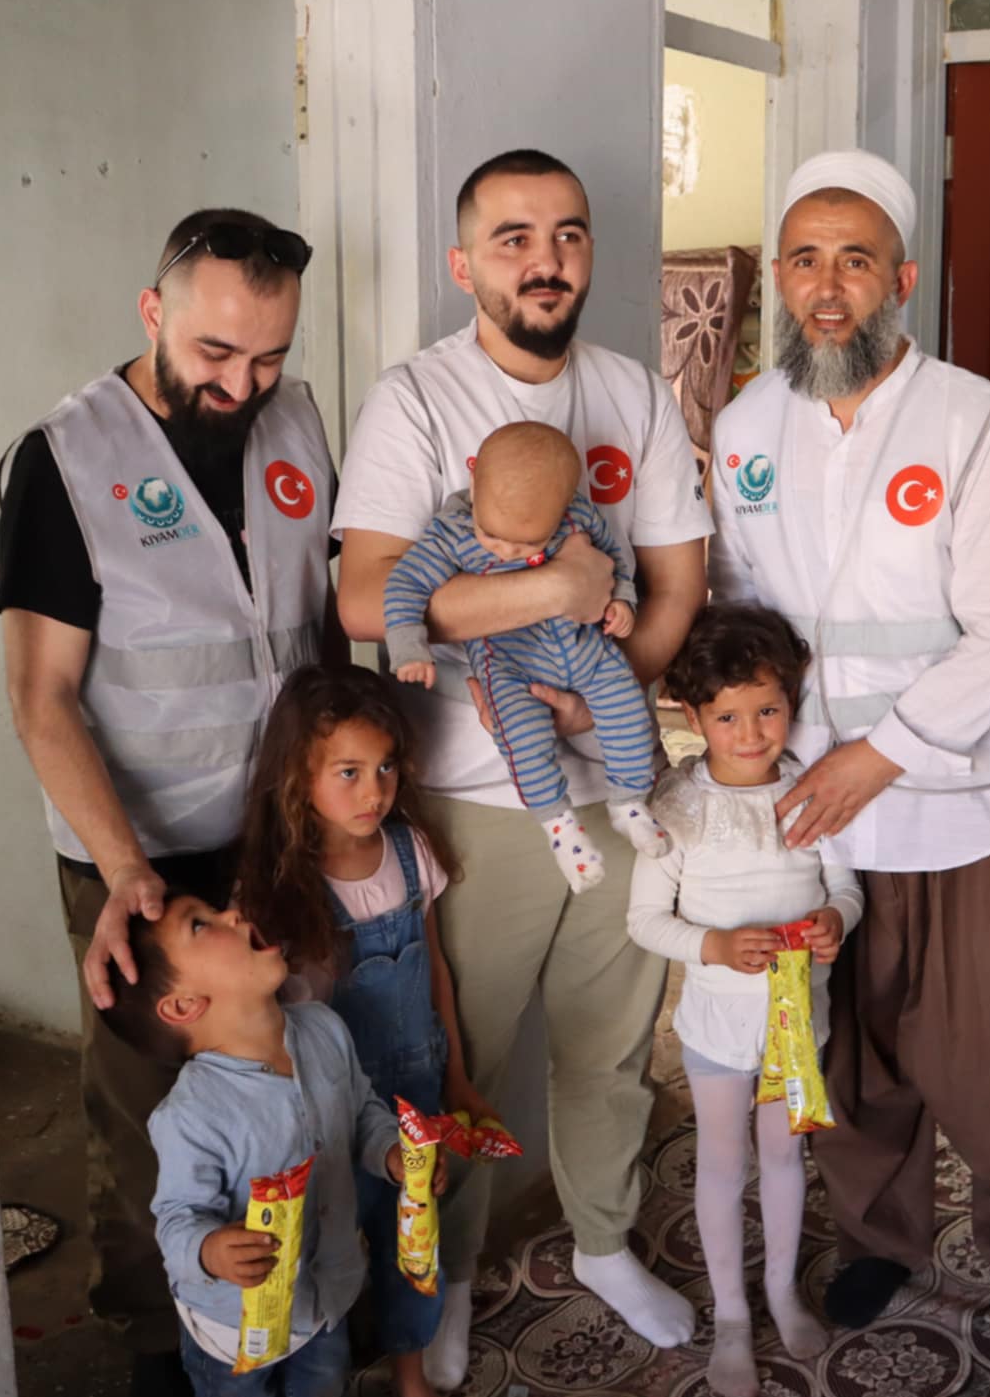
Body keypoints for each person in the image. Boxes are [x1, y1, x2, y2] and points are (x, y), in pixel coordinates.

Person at [706, 150, 990, 1386]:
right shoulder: (741, 429)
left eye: (855, 261)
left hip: (969, 804)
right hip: (815, 808)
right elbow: (741, 613)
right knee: (850, 1053)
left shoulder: (969, 420)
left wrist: (878, 755)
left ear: (902, 280)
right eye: (805, 260)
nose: (828, 289)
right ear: (778, 277)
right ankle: (879, 1236)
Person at [334, 150, 710, 1384]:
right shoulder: (415, 400)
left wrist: (607, 702)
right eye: (512, 238)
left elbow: (675, 581)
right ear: (464, 264)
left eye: (566, 234)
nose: (544, 260)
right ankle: (442, 1286)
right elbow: (363, 595)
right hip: (470, 798)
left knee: (609, 1048)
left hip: (616, 790)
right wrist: (552, 589)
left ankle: (601, 1242)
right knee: (460, 1062)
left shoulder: (631, 393)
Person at [0, 208, 337, 1393]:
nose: (242, 386)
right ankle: (159, 1344)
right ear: (153, 312)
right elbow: (41, 697)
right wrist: (125, 869)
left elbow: (313, 623)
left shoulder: (296, 421)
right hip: (135, 859)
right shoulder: (66, 459)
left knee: (293, 1076)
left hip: (275, 840)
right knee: (150, 1124)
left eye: (270, 357)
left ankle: (299, 1316)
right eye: (215, 353)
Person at [232, 665, 487, 1397]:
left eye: (385, 767)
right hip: (328, 1105)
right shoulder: (277, 889)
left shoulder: (412, 854)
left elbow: (436, 970)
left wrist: (457, 1075)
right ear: (297, 776)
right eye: (348, 771)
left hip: (415, 1090)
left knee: (413, 1237)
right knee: (331, 1240)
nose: (374, 791)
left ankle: (411, 1373)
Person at [627, 606, 862, 1397]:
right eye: (727, 716)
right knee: (724, 1165)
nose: (752, 732)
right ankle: (732, 1314)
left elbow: (845, 886)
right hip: (717, 1031)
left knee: (785, 1156)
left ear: (791, 701)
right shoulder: (676, 809)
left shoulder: (811, 791)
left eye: (768, 709)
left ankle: (782, 1289)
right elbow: (645, 919)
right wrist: (716, 945)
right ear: (693, 717)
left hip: (799, 1025)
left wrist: (836, 920)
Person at [97, 893, 445, 1397]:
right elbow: (176, 1218)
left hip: (325, 1301)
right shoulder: (191, 1115)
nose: (233, 913)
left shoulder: (325, 1028)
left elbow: (362, 1112)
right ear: (183, 1006)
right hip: (233, 1329)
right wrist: (210, 1251)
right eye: (201, 925)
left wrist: (394, 1154)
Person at [384, 421, 670, 890]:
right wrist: (408, 646)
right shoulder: (452, 532)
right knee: (522, 737)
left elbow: (615, 561)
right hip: (509, 662)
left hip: (585, 647)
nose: (506, 551)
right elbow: (405, 584)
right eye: (492, 536)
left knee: (626, 706)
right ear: (474, 482)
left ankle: (629, 803)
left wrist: (622, 601)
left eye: (528, 544)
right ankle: (561, 828)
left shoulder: (579, 517)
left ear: (565, 505)